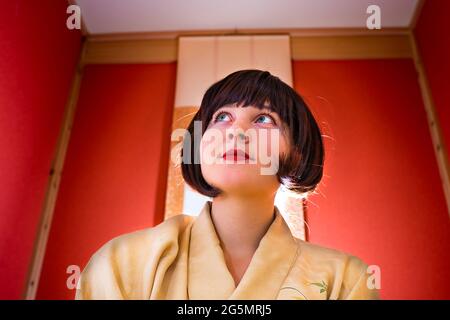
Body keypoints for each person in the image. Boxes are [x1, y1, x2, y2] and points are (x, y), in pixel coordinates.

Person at [75, 70, 379, 300]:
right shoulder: (121, 262)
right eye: (221, 117)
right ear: (197, 145)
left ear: (296, 152)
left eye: (263, 119)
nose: (235, 131)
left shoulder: (346, 280)